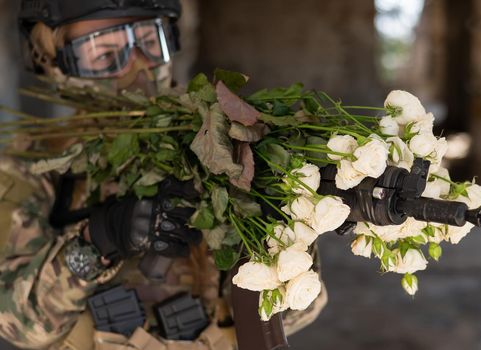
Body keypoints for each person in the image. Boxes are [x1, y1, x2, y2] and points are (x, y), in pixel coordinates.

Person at [0, 1, 326, 349]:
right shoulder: (33, 163)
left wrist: (283, 234)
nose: (136, 67)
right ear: (56, 62)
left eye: (149, 41)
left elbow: (302, 308)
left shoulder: (224, 144)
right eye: (104, 52)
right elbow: (18, 325)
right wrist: (98, 240)